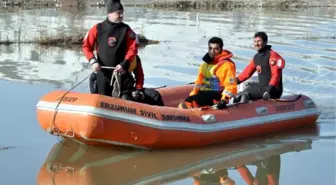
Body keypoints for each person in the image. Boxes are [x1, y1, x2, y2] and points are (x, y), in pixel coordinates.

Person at [83, 0, 138, 99]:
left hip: (121, 74)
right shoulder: (97, 28)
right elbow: (86, 46)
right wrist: (93, 61)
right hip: (102, 74)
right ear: (109, 14)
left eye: (122, 13)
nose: (121, 15)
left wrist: (124, 64)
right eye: (119, 13)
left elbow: (133, 49)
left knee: (125, 100)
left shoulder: (126, 29)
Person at [178, 37, 237, 109]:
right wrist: (193, 94)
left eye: (216, 49)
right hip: (204, 93)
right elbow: (199, 82)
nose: (212, 51)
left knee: (188, 103)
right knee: (189, 100)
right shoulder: (205, 64)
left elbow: (231, 85)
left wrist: (224, 100)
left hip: (217, 95)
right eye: (210, 48)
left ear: (221, 49)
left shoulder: (227, 65)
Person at [235, 32, 285, 102]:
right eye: (255, 41)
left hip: (272, 90)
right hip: (262, 87)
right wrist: (232, 82)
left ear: (265, 42)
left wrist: (268, 91)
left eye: (259, 41)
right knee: (239, 94)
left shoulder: (273, 55)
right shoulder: (256, 57)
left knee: (244, 94)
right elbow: (246, 73)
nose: (256, 44)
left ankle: (241, 111)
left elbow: (276, 75)